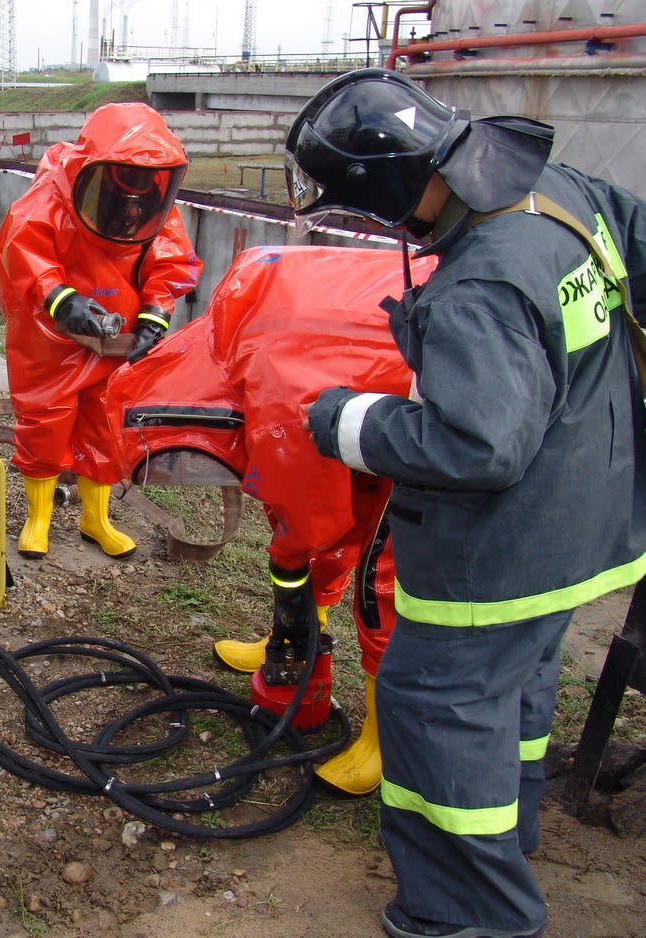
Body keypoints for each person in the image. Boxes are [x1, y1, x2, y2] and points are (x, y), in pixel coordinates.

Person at [287, 67, 646, 938]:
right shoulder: (560, 191)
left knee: (433, 706)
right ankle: (508, 828)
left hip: (504, 553)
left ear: (390, 190)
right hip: (591, 516)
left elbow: (476, 446)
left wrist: (345, 420)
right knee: (514, 688)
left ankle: (470, 912)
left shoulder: (480, 286)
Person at [106, 244, 437, 796]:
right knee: (332, 526)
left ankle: (384, 743)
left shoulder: (276, 404)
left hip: (425, 417)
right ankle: (294, 641)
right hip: (372, 391)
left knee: (379, 585)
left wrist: (285, 559)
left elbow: (309, 524)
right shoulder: (240, 318)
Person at [0, 102, 202, 560]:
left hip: (117, 337)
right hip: (51, 338)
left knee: (105, 427)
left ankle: (97, 519)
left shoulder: (154, 204)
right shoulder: (53, 193)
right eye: (125, 176)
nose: (132, 194)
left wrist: (153, 320)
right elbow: (25, 248)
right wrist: (63, 301)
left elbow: (170, 263)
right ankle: (38, 519)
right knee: (44, 421)